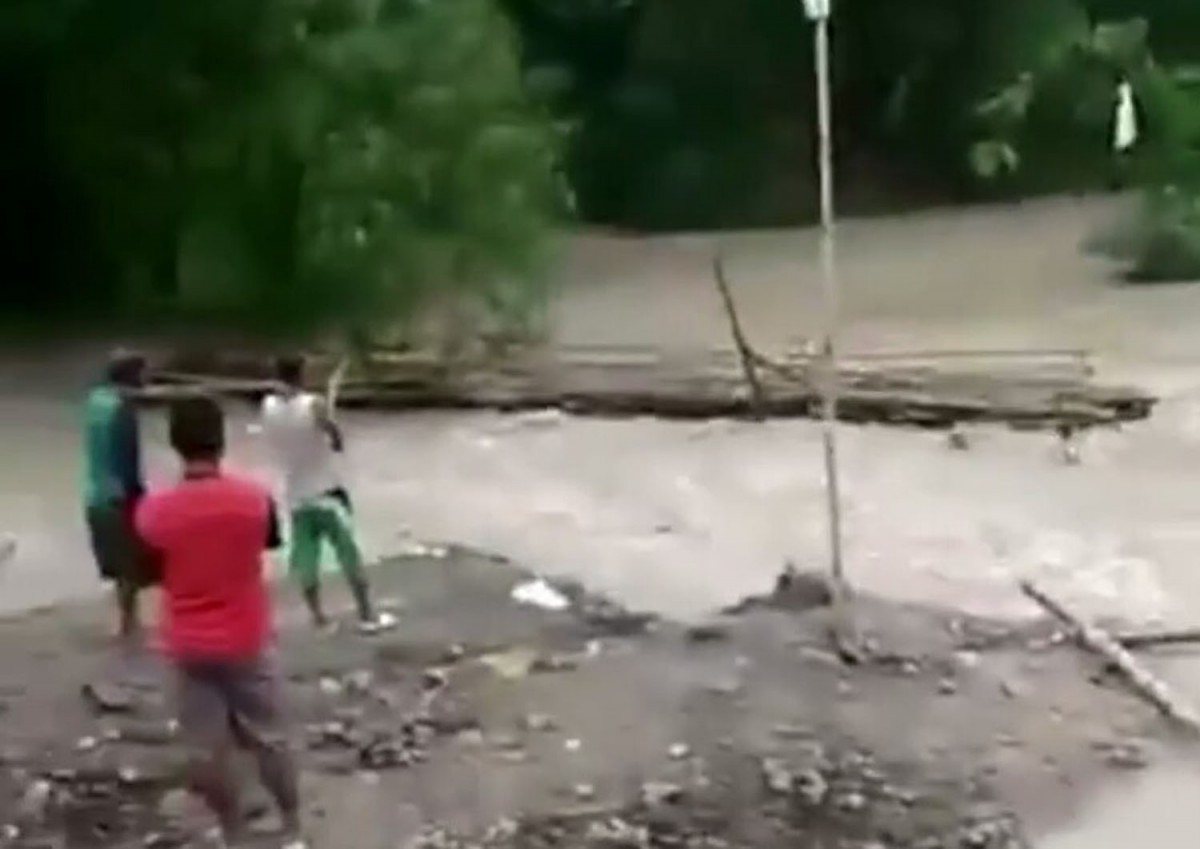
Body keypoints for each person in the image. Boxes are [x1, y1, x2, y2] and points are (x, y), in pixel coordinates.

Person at [135, 393, 306, 849]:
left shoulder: (155, 512)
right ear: (222, 441)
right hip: (247, 636)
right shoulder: (254, 499)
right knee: (270, 736)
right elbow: (270, 542)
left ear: (175, 444)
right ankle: (291, 827)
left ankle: (234, 832)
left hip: (188, 645)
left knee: (208, 749)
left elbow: (147, 570)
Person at [260, 354, 392, 633]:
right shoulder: (314, 405)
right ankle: (367, 616)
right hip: (326, 492)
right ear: (302, 373)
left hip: (296, 495)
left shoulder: (268, 406)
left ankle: (319, 618)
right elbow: (335, 438)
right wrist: (331, 429)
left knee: (306, 558)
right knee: (348, 554)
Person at [82, 349, 150, 648]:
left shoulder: (95, 400)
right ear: (132, 376)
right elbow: (127, 456)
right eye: (143, 374)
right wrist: (140, 493)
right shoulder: (124, 409)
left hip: (93, 492)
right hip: (118, 495)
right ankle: (127, 624)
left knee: (116, 563)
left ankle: (126, 621)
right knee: (129, 565)